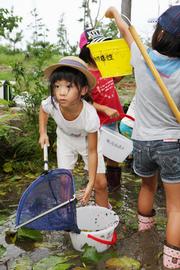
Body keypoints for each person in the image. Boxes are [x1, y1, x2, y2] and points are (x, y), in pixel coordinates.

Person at [105, 6, 180, 269]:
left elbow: (126, 32)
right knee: (176, 208)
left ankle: (146, 237)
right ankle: (172, 263)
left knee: (147, 187)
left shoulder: (142, 57)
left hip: (142, 142)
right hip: (172, 143)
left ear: (160, 33)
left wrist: (115, 14)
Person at [39, 56, 109, 208]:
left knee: (100, 183)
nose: (61, 93)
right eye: (57, 86)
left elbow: (92, 151)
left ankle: (105, 215)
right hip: (65, 139)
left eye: (68, 87)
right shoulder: (52, 103)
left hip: (87, 142)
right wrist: (43, 133)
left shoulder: (90, 115)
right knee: (64, 181)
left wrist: (90, 183)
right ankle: (67, 215)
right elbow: (43, 110)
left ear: (83, 90)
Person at [79, 28, 125, 191]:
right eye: (97, 48)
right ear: (86, 50)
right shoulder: (84, 74)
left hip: (112, 120)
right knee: (98, 154)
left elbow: (116, 80)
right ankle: (97, 184)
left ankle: (113, 186)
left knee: (115, 153)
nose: (102, 51)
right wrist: (104, 108)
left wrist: (122, 66)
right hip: (98, 123)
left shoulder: (106, 67)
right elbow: (83, 101)